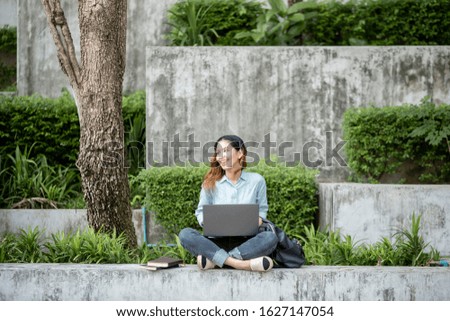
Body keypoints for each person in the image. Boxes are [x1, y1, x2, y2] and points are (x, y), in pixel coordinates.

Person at [178, 135, 279, 272]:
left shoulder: (257, 181)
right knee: (185, 234)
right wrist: (208, 222)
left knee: (270, 237)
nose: (221, 156)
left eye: (226, 151)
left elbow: (262, 212)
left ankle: (214, 261)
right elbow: (200, 212)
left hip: (247, 243)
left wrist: (255, 221)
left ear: (240, 153)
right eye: (218, 152)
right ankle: (240, 264)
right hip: (216, 241)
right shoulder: (210, 183)